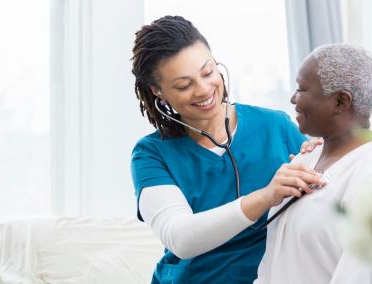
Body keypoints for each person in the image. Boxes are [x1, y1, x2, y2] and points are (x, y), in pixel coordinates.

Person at [130, 16, 324, 283]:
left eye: (208, 71)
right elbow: (181, 238)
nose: (204, 90)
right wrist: (266, 197)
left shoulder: (275, 127)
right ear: (157, 91)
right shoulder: (151, 154)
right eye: (184, 85)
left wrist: (326, 157)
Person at [255, 43, 372, 284]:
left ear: (340, 101)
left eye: (302, 89)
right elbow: (274, 260)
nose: (293, 98)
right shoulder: (305, 159)